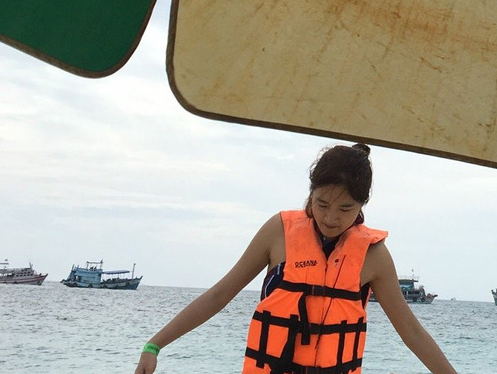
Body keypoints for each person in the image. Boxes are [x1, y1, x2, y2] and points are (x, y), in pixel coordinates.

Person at [134, 143, 460, 374]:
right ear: (310, 194)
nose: (331, 217)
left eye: (346, 208)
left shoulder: (373, 256)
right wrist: (155, 345)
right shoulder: (279, 232)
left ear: (362, 205)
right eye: (321, 204)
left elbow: (412, 332)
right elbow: (220, 294)